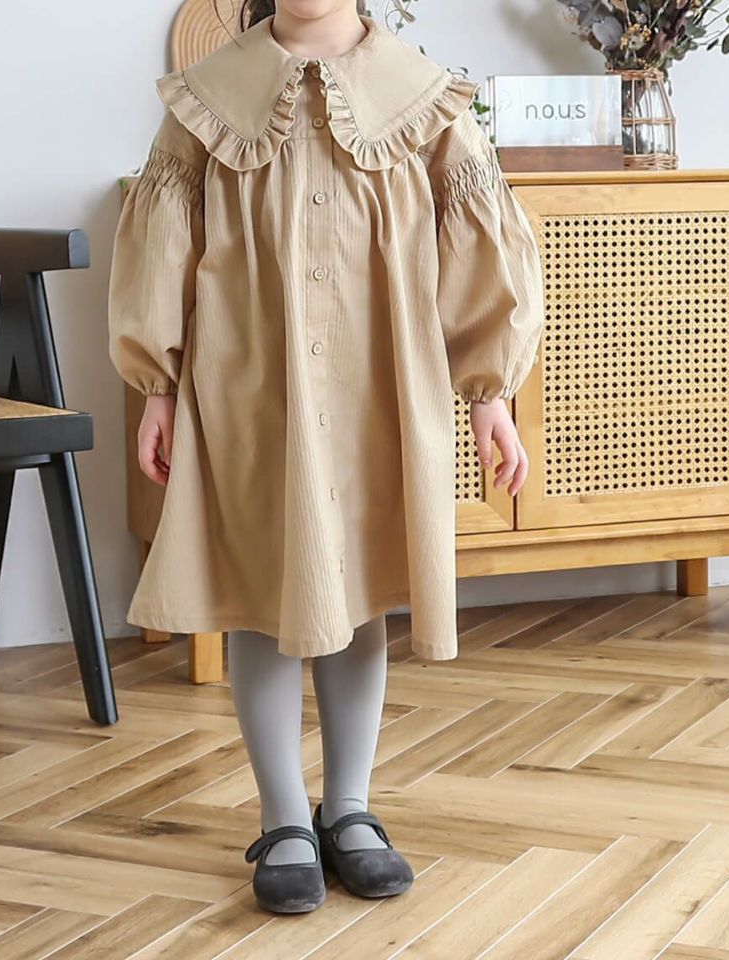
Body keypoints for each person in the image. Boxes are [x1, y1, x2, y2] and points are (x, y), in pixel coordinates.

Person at [107, 0, 545, 915]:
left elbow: (477, 247)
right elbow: (162, 244)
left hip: (379, 387)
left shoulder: (423, 96)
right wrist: (157, 387)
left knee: (358, 591)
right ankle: (282, 818)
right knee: (261, 591)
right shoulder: (207, 97)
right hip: (248, 389)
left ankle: (349, 807)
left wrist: (490, 395)